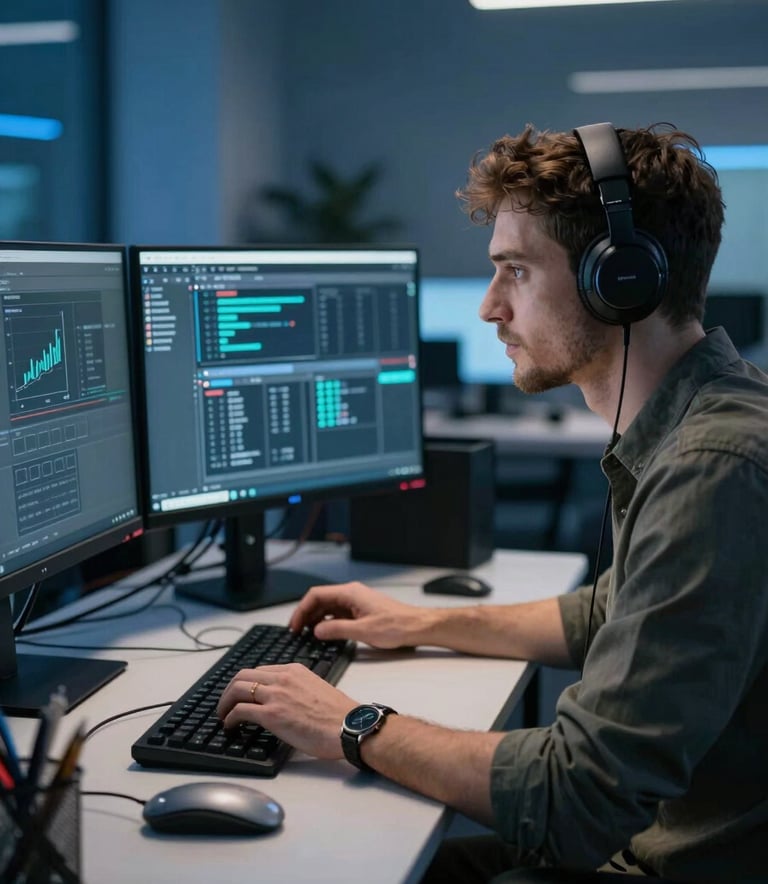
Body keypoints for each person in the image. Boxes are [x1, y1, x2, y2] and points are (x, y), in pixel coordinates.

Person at [217, 122, 768, 882]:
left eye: (515, 271)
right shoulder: (709, 417)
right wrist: (423, 622)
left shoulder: (715, 466)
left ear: (621, 279)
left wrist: (347, 723)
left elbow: (578, 795)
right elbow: (610, 613)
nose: (488, 307)